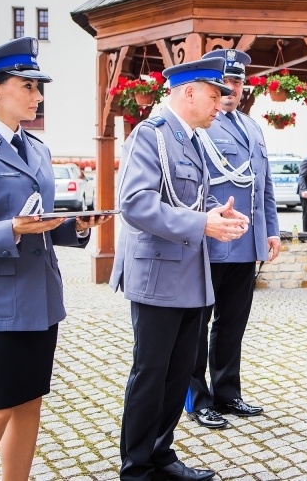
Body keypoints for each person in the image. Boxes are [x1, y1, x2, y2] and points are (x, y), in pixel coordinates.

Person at [110, 57, 250, 481]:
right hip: (158, 278)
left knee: (177, 376)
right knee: (151, 375)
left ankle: (161, 456)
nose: (219, 103)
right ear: (188, 92)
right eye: (213, 94)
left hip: (189, 277)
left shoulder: (189, 139)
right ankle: (136, 468)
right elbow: (135, 204)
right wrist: (200, 222)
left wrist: (213, 214)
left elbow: (181, 201)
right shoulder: (150, 136)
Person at [0, 37, 111, 481]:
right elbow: (11, 224)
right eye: (28, 86)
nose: (38, 97)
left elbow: (40, 218)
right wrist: (10, 229)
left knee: (29, 404)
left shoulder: (36, 147)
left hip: (41, 298)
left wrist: (73, 226)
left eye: (40, 88)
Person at [185, 49, 281, 430]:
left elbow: (264, 184)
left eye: (238, 81)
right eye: (225, 80)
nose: (231, 88)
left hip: (245, 244)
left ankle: (227, 393)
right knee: (198, 325)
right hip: (210, 241)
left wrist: (271, 230)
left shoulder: (252, 127)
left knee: (232, 324)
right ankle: (197, 399)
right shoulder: (200, 125)